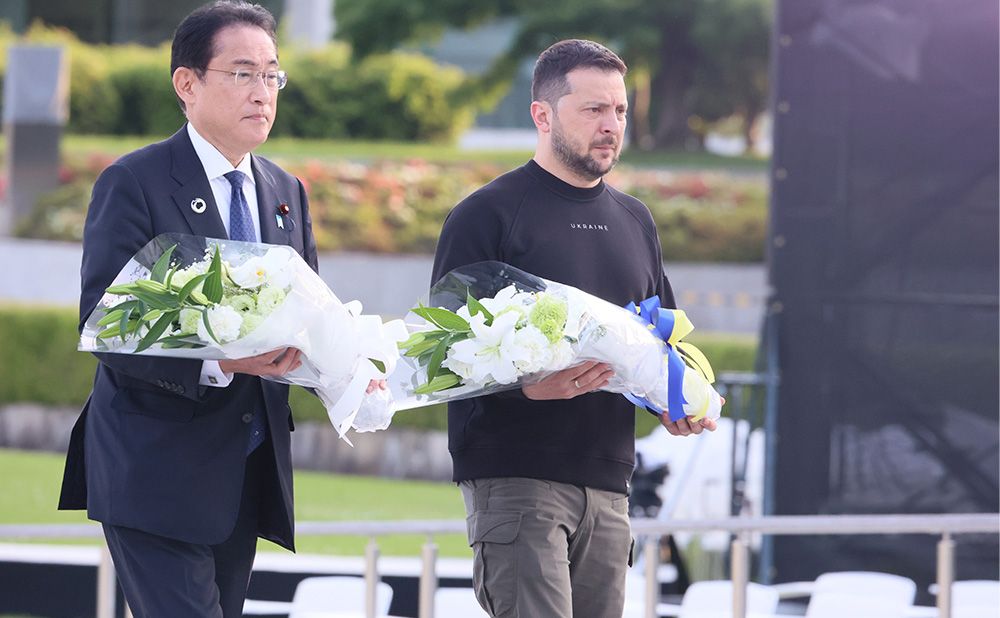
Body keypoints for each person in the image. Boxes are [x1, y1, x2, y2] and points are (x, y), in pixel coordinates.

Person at [430, 39, 719, 618]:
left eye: (619, 110)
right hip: (517, 477)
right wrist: (527, 387)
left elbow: (659, 339)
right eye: (593, 110)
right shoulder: (485, 215)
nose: (611, 125)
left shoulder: (636, 219)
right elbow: (441, 356)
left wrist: (672, 398)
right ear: (542, 114)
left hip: (611, 482)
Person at [59, 3, 317, 616]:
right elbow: (106, 321)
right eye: (243, 73)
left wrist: (347, 369)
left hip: (244, 474)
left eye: (272, 75)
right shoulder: (136, 182)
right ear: (187, 83)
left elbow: (309, 312)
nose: (263, 92)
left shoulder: (285, 191)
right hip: (155, 473)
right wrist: (222, 362)